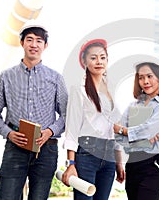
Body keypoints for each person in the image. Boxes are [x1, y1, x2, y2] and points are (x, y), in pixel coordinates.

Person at [0, 19, 68, 200]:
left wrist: (49, 131)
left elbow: (65, 115)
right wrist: (9, 133)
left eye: (39, 41)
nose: (34, 45)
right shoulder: (6, 77)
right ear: (22, 42)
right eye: (29, 39)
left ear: (45, 46)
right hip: (15, 148)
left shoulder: (55, 78)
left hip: (46, 150)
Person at [62, 39, 125, 200]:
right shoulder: (79, 89)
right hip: (86, 155)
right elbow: (72, 128)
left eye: (103, 57)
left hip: (109, 155)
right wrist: (71, 164)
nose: (99, 62)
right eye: (93, 57)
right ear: (84, 62)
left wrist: (119, 161)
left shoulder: (112, 90)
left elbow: (115, 128)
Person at [113, 62, 159, 200]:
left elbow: (148, 130)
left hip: (153, 165)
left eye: (149, 76)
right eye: (141, 77)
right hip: (132, 164)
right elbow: (117, 136)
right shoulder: (133, 105)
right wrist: (140, 138)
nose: (145, 81)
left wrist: (124, 131)